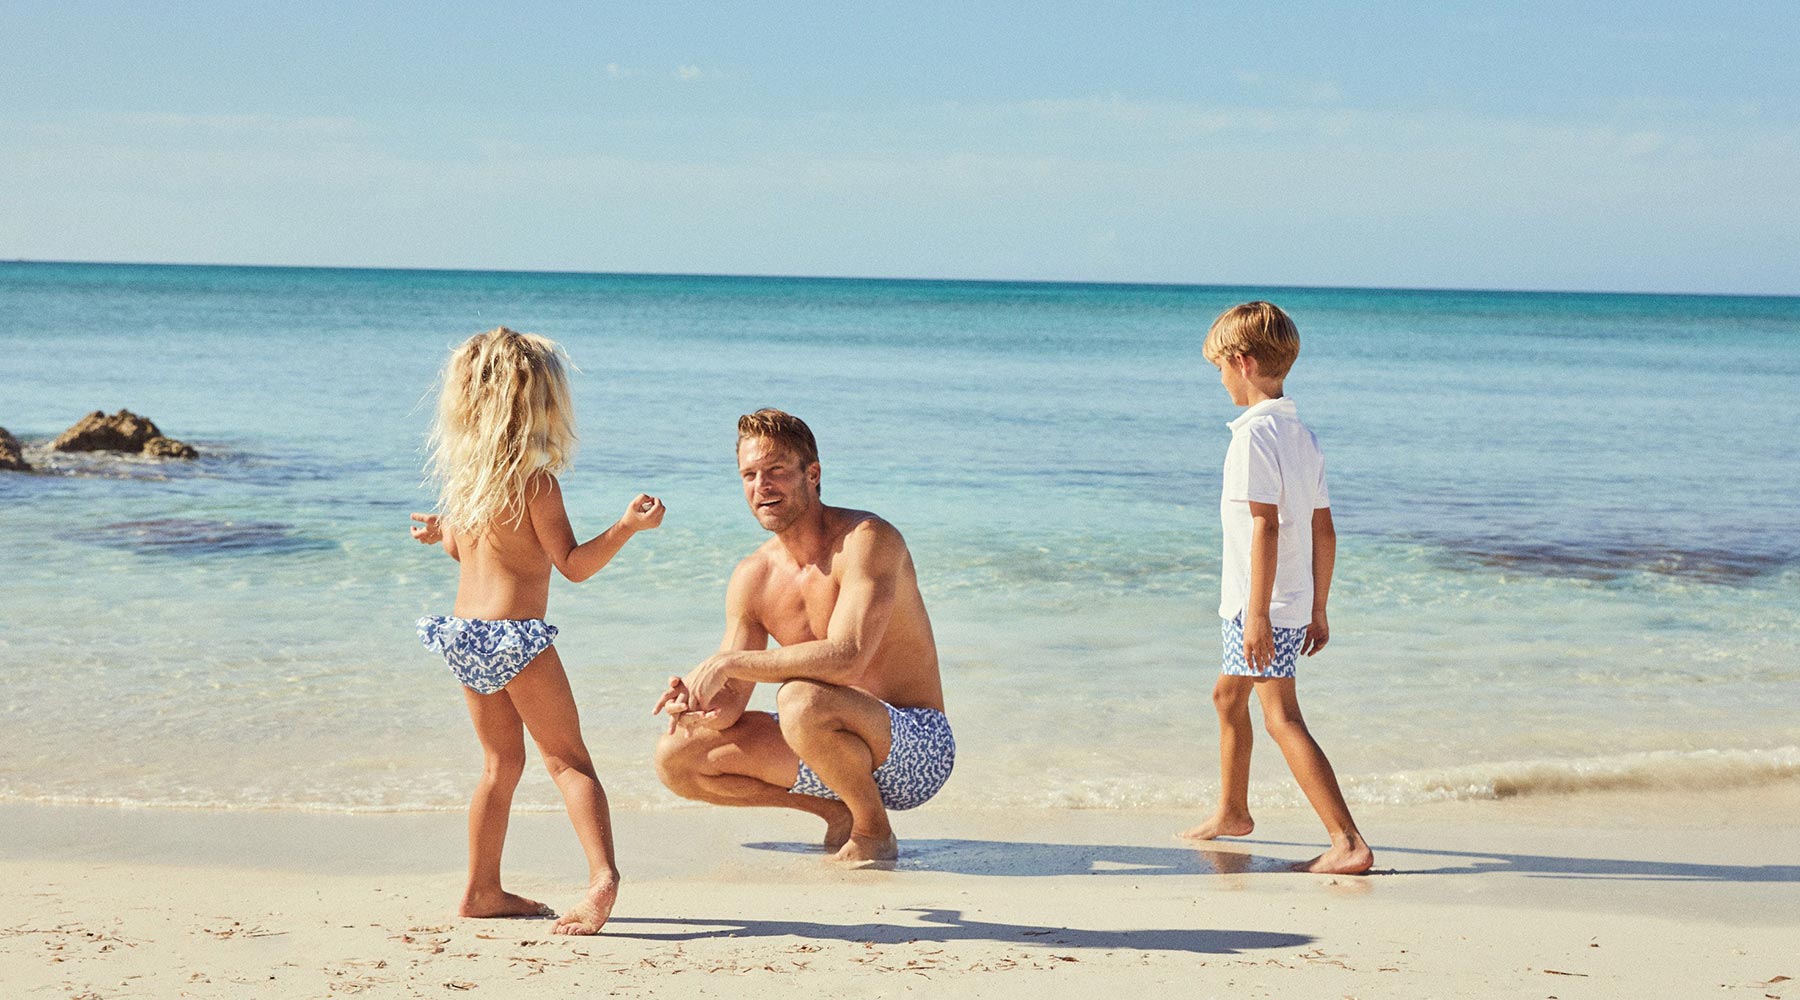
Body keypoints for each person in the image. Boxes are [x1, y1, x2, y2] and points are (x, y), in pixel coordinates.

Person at [409, 326, 666, 933]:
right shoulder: (536, 483)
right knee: (569, 762)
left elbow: (466, 552)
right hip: (515, 639)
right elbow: (572, 566)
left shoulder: (466, 483)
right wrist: (627, 527)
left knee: (500, 766)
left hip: (464, 638)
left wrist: (435, 534)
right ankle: (603, 878)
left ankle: (480, 889)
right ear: (540, 404)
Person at [651, 408, 952, 864]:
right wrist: (697, 705)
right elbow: (730, 705)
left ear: (812, 474)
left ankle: (875, 833)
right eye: (749, 475)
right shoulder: (753, 576)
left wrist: (726, 663)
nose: (761, 487)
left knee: (800, 699)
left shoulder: (867, 540)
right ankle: (837, 813)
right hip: (822, 747)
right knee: (677, 756)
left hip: (914, 748)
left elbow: (846, 658)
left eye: (775, 471)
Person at [1180, 301, 1374, 875]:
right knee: (1226, 696)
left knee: (1282, 716)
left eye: (1219, 368)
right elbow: (1322, 526)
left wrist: (1257, 616)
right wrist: (1318, 606)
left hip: (1258, 606)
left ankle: (1347, 842)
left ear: (1241, 362)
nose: (1220, 380)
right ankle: (1233, 812)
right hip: (1285, 602)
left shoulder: (1252, 439)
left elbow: (1266, 526)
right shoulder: (1300, 435)